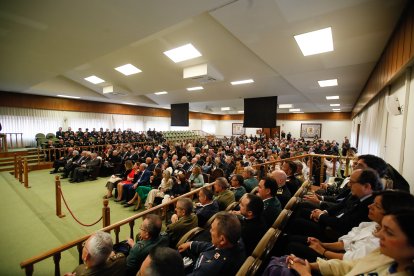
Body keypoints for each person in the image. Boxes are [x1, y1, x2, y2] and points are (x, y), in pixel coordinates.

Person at [287, 190, 414, 262]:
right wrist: (322, 244)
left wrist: (324, 251)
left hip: (338, 257)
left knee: (292, 245)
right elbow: (346, 241)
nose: (370, 206)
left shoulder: (384, 246)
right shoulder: (370, 224)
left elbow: (350, 261)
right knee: (293, 239)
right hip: (336, 252)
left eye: (377, 206)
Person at [288, 208, 414, 276]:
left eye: (389, 233)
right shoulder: (384, 255)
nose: (379, 235)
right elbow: (350, 265)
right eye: (382, 228)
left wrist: (305, 273)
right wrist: (311, 265)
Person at [178, 212, 246, 275]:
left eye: (212, 229)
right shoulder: (237, 241)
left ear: (222, 240)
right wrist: (191, 244)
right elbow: (213, 246)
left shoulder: (210, 268)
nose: (210, 231)